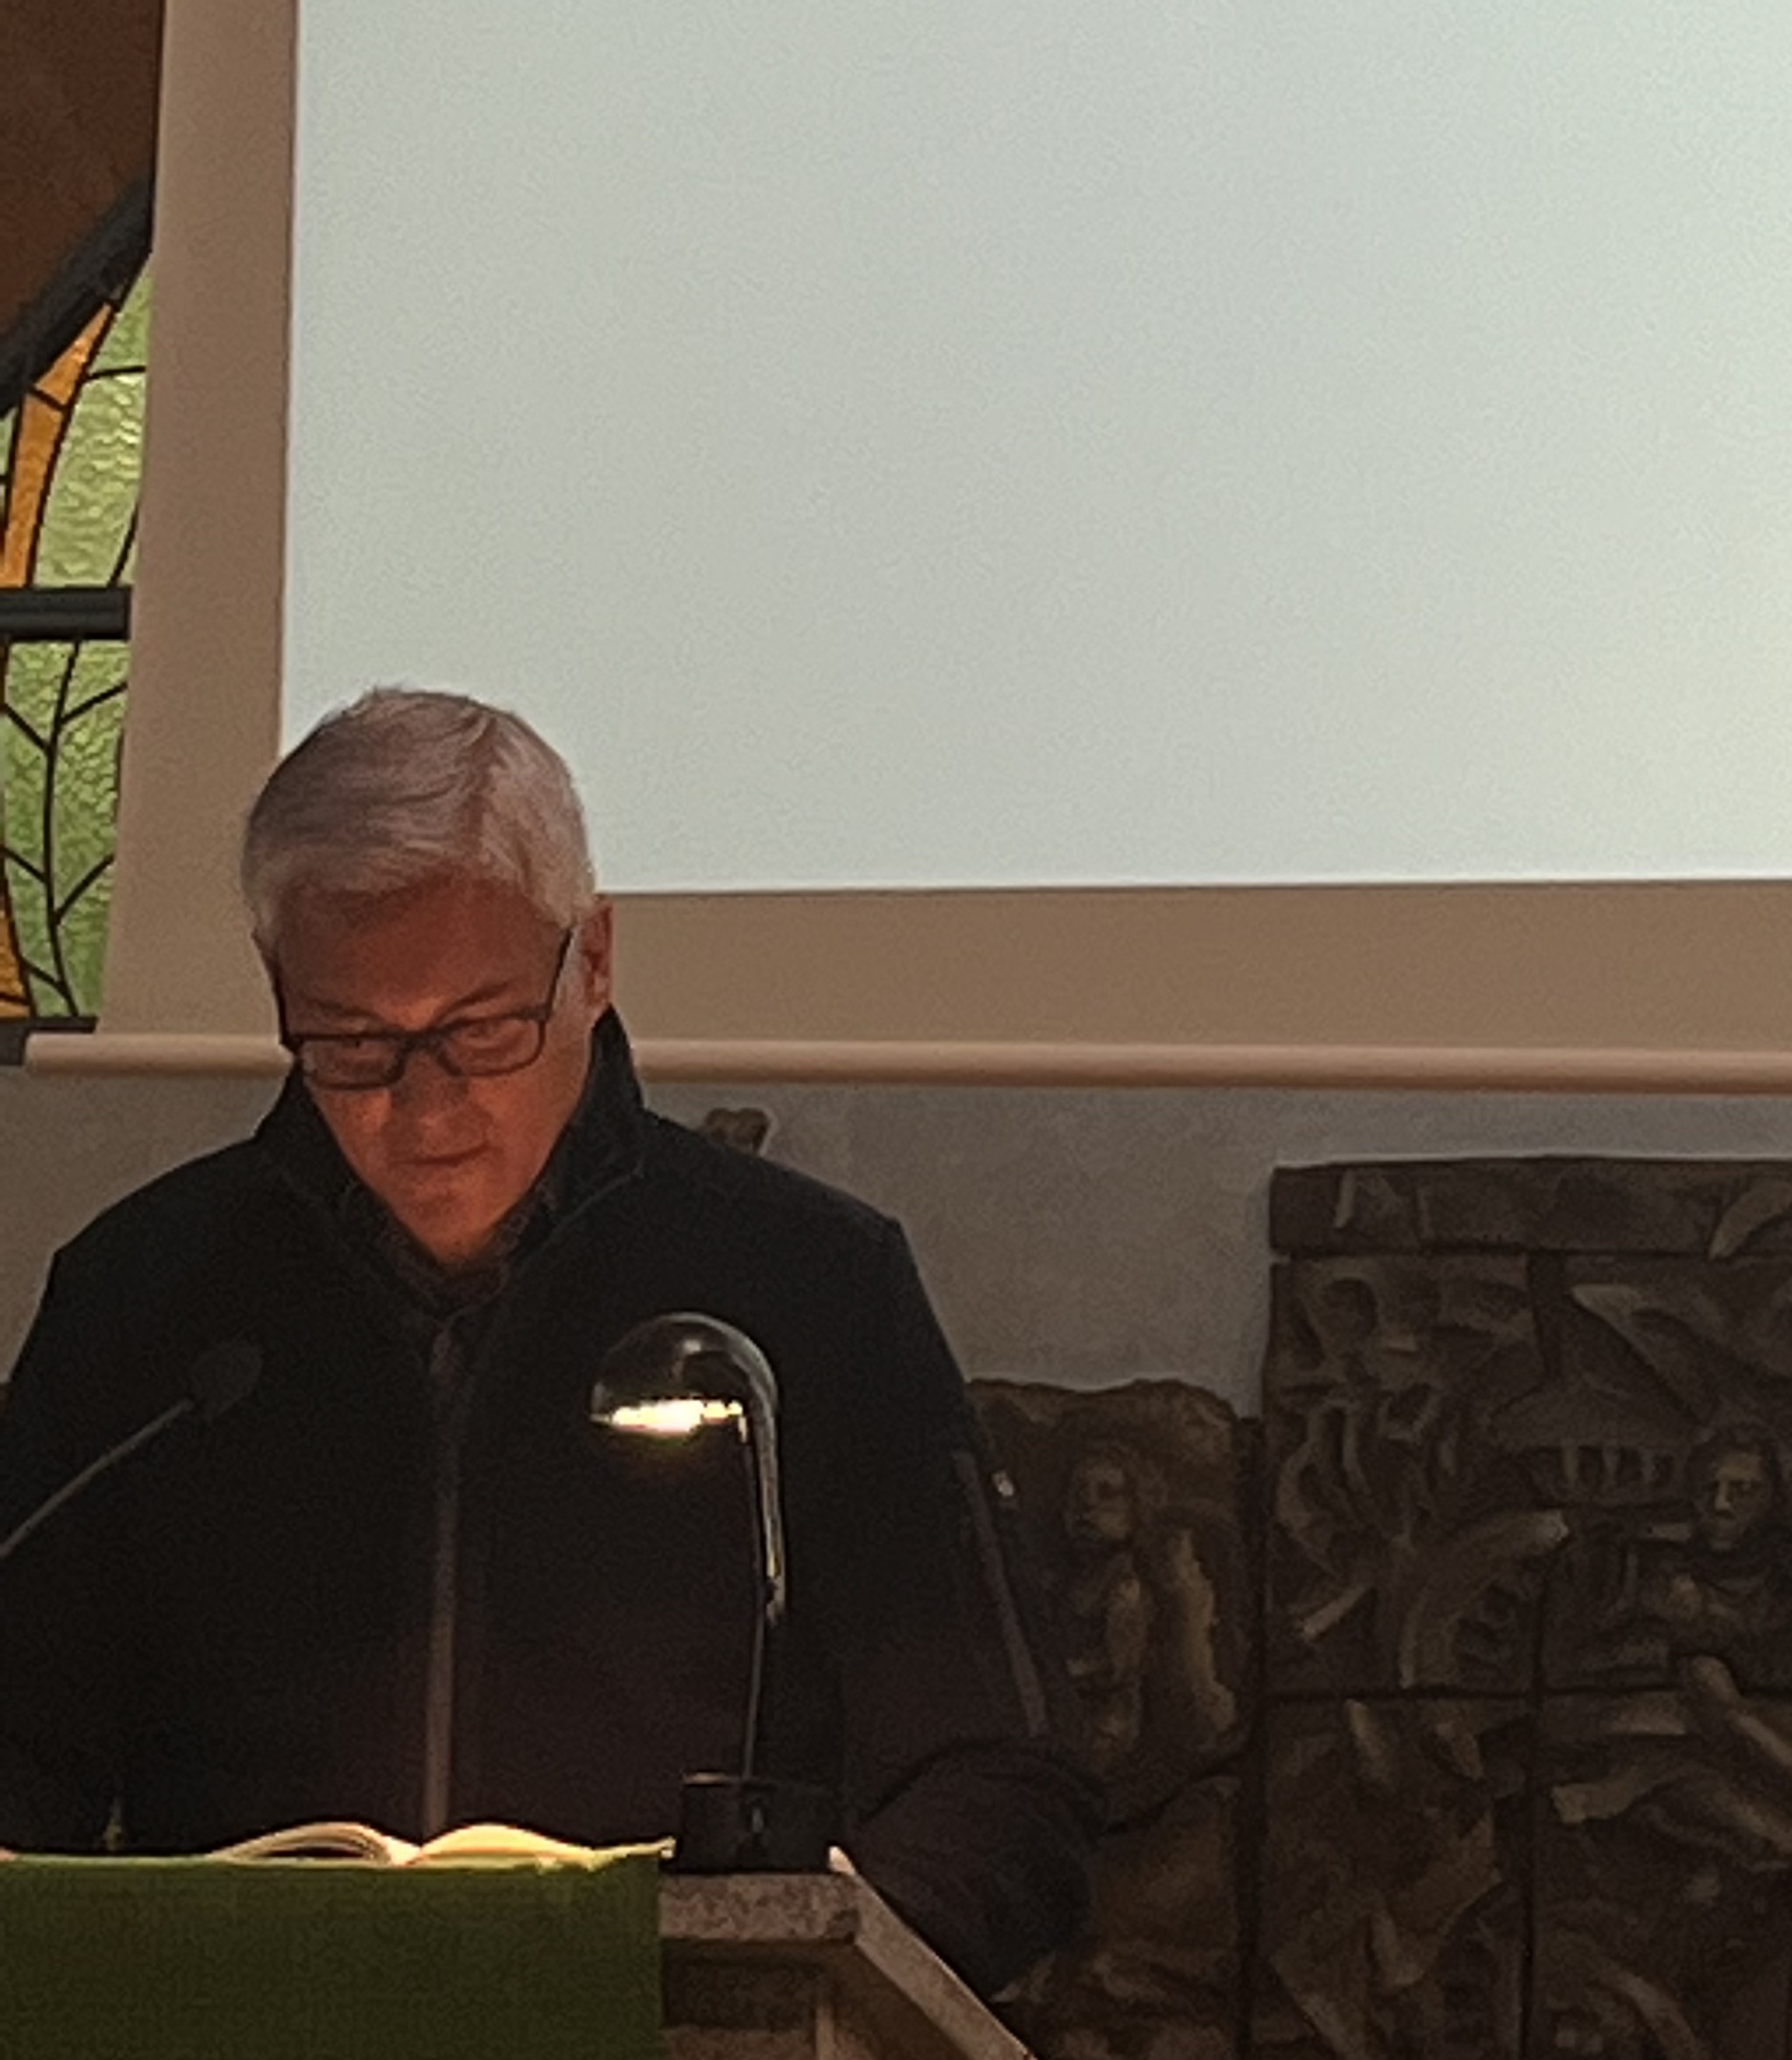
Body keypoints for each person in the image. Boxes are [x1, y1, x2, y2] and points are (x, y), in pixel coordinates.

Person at [0, 688, 1096, 1994]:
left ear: (595, 961)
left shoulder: (812, 1288)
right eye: (351, 1045)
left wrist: (785, 1965)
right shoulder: (148, 1302)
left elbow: (1003, 1789)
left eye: (481, 1031)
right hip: (238, 2038)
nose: (425, 1110)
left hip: (682, 2050)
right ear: (276, 990)